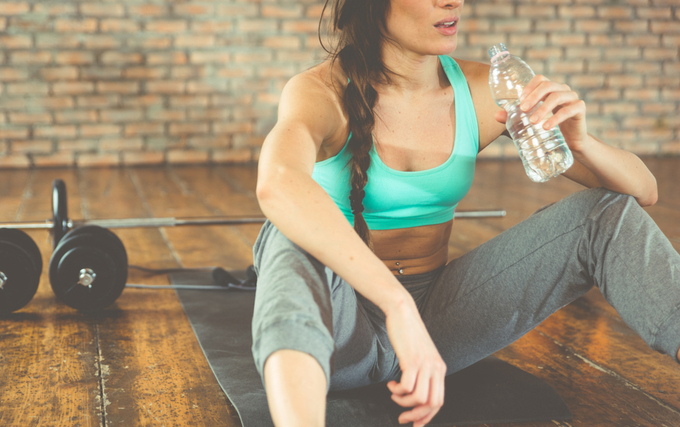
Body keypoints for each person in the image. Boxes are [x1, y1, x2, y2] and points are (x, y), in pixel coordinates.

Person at [250, 0, 679, 426]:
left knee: (602, 214)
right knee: (286, 230)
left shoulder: (483, 87)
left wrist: (582, 143)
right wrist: (396, 306)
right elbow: (277, 182)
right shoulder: (318, 91)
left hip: (438, 324)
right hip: (337, 332)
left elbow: (643, 191)